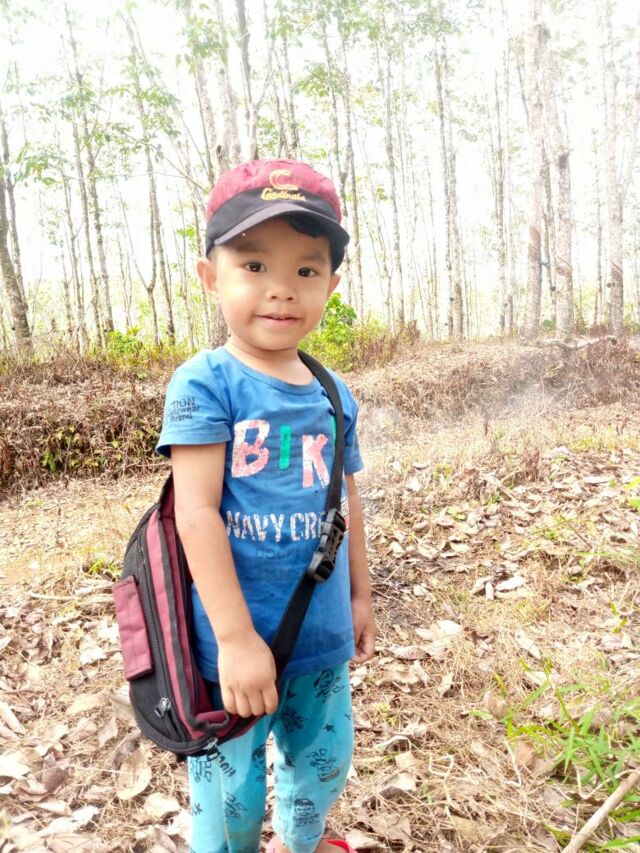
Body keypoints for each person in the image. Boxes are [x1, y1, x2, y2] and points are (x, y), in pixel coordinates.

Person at [156, 159, 376, 853]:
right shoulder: (206, 383)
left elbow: (346, 499)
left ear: (330, 285)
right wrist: (234, 639)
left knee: (322, 762)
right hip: (235, 645)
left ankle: (300, 843)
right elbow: (195, 513)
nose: (281, 288)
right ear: (210, 276)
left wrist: (361, 596)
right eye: (254, 265)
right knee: (232, 788)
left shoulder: (333, 391)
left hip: (320, 634)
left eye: (306, 270)